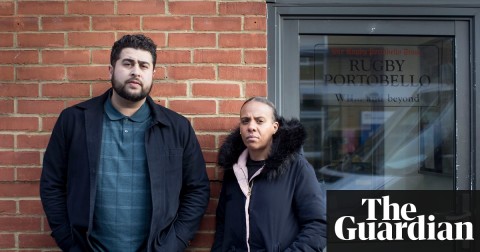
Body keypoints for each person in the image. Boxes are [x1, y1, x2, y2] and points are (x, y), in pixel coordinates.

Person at [40, 34, 210, 252]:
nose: (135, 71)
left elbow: (197, 189)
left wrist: (174, 242)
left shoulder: (176, 127)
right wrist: (68, 241)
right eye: (127, 63)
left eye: (144, 65)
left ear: (153, 74)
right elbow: (52, 184)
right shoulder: (74, 120)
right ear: (111, 70)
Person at [211, 97, 327, 252]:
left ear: (275, 127)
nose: (251, 127)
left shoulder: (297, 168)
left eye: (259, 121)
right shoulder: (234, 171)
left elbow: (318, 225)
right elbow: (222, 226)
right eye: (245, 121)